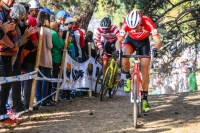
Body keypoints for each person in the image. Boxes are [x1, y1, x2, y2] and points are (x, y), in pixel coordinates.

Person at [115, 10, 162, 112]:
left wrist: (155, 49)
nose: (134, 30)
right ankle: (127, 76)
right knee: (124, 56)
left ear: (140, 22)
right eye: (132, 28)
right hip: (130, 41)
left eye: (136, 27)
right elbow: (119, 41)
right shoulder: (126, 24)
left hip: (144, 43)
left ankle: (144, 99)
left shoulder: (147, 21)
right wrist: (118, 51)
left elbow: (157, 40)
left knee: (144, 69)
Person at [10, 3, 37, 113]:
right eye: (25, 13)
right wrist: (26, 35)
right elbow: (15, 44)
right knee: (12, 83)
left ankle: (17, 104)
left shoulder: (20, 25)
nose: (26, 15)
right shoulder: (14, 26)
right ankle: (14, 105)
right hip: (12, 57)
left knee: (16, 81)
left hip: (17, 56)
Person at [21, 0, 41, 110]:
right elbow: (34, 39)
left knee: (25, 78)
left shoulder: (26, 20)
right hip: (30, 52)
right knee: (29, 78)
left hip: (23, 52)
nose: (38, 13)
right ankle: (28, 103)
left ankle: (26, 102)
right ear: (32, 10)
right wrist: (38, 49)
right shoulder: (32, 20)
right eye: (37, 10)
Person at [35, 9, 54, 106]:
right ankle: (44, 99)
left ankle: (37, 98)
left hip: (37, 58)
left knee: (38, 79)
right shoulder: (47, 31)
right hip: (46, 58)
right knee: (45, 79)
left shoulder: (36, 29)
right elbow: (49, 45)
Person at [49, 21, 64, 100]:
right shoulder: (54, 34)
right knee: (54, 77)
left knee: (51, 77)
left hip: (51, 58)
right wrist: (61, 38)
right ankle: (53, 95)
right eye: (57, 27)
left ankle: (52, 95)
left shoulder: (49, 32)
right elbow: (60, 45)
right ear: (54, 27)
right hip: (55, 58)